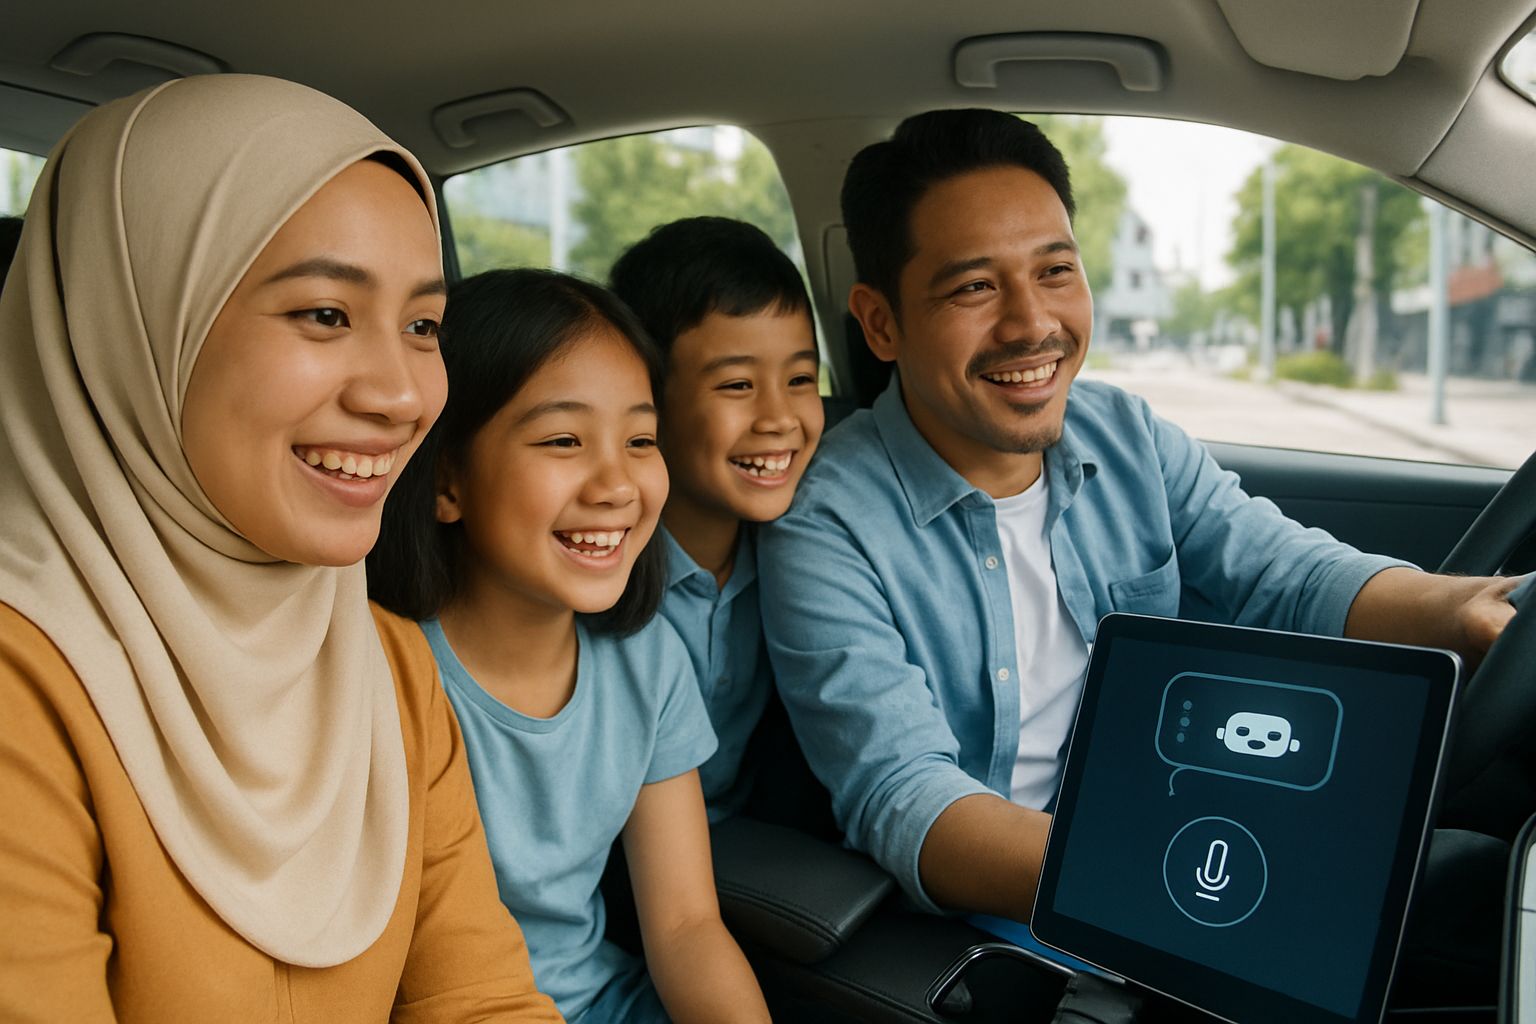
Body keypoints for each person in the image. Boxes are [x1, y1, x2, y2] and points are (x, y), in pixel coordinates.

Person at [757, 108, 1524, 926]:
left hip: (1172, 831)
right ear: (881, 321)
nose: (1032, 325)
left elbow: (1286, 575)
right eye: (975, 287)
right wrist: (1161, 871)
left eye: (1055, 271)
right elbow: (907, 794)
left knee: (1473, 890)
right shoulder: (826, 525)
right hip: (1001, 918)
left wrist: (1472, 610)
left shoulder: (1122, 434)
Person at [0, 76, 561, 1021]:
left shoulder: (386, 667)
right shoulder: (25, 686)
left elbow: (482, 1002)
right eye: (325, 314)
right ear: (134, 324)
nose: (402, 393)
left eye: (424, 327)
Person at [368, 268, 771, 1024]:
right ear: (446, 479)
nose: (617, 485)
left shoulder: (648, 664)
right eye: (563, 440)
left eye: (641, 440)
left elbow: (686, 927)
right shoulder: (388, 676)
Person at [610, 216, 824, 821]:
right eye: (737, 384)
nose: (779, 417)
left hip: (751, 847)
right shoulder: (599, 566)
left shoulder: (810, 558)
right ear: (648, 399)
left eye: (801, 379)